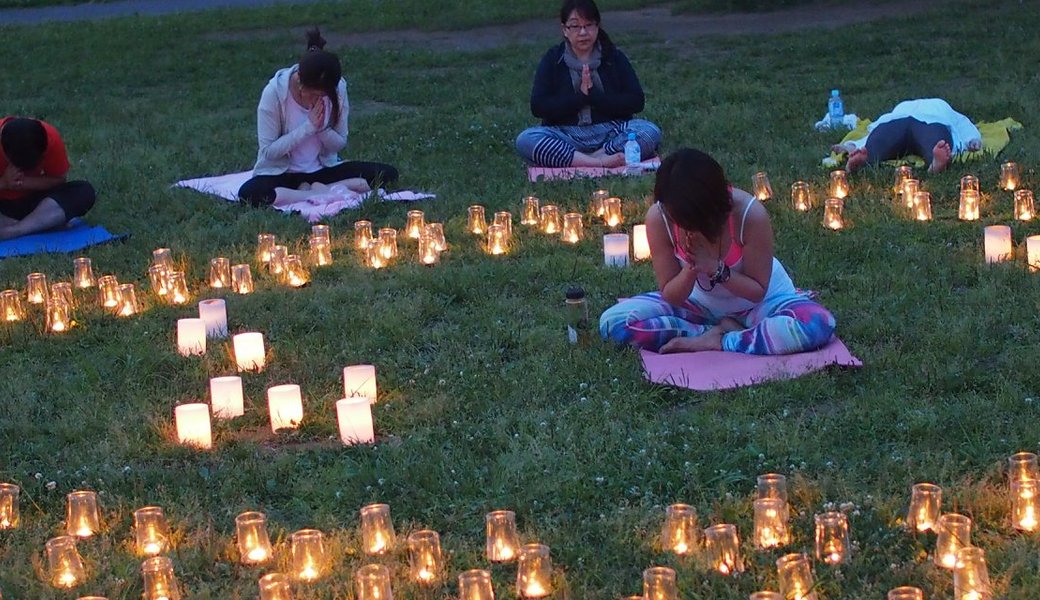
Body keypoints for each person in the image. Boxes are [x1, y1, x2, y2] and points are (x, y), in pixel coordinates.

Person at [599, 148, 836, 355]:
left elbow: (756, 292)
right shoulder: (659, 218)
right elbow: (671, 294)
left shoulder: (749, 215)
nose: (682, 224)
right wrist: (692, 268)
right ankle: (711, 333)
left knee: (816, 325)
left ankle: (724, 340)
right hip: (699, 307)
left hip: (761, 306)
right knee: (614, 323)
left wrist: (714, 267)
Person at [238, 28, 398, 207]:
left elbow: (340, 142)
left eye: (323, 95)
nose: (319, 99)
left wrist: (321, 129)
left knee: (387, 174)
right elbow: (268, 152)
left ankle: (316, 189)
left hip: (322, 170)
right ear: (300, 82)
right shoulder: (274, 93)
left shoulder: (338, 89)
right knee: (249, 194)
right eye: (314, 94)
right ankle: (313, 193)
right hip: (282, 173)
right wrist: (308, 128)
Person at [514, 0, 661, 168]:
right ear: (565, 30)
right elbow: (538, 106)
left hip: (610, 132)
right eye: (575, 26)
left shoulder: (613, 58)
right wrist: (580, 98)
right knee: (526, 139)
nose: (583, 32)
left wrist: (595, 97)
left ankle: (589, 158)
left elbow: (636, 101)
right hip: (566, 134)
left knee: (649, 131)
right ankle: (598, 162)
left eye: (588, 25)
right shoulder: (553, 59)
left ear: (597, 27)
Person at [0, 117, 96, 241]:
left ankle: (16, 229)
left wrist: (24, 182)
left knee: (83, 191)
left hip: (38, 204)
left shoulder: (50, 137)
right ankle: (42, 224)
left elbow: (58, 180)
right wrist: (4, 182)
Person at [841, 98, 982, 175]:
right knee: (937, 143)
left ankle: (936, 164)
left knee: (877, 143)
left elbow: (961, 122)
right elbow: (962, 122)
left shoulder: (936, 106)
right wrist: (971, 139)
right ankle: (935, 163)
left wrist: (972, 139)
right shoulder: (939, 104)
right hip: (911, 120)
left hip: (914, 121)